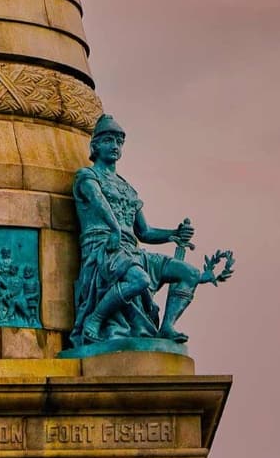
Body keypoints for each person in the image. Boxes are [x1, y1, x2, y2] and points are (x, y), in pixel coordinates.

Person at [69, 115, 234, 350]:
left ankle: (167, 326)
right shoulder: (87, 177)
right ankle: (94, 320)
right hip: (104, 247)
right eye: (108, 140)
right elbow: (98, 202)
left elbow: (144, 232)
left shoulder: (127, 188)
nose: (114, 146)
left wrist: (173, 234)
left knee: (188, 273)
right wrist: (114, 229)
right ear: (95, 146)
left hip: (130, 250)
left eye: (118, 141)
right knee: (140, 280)